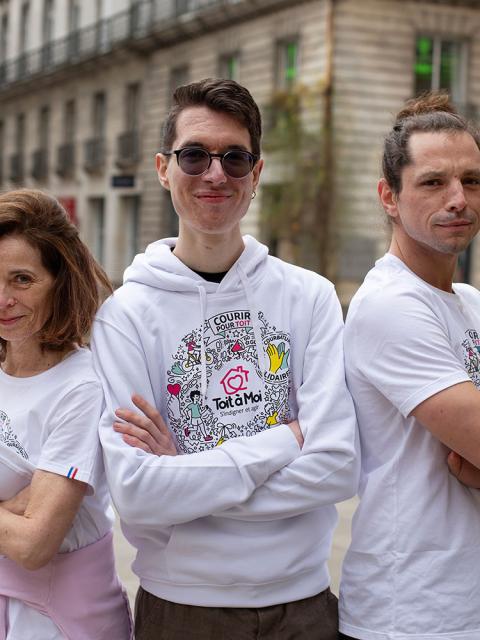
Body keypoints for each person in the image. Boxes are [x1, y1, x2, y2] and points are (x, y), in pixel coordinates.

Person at [92, 78, 359, 639]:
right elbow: (137, 493)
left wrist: (184, 480)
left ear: (256, 175)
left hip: (304, 606)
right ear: (164, 168)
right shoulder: (124, 316)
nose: (216, 174)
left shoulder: (309, 297)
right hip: (182, 609)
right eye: (195, 155)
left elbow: (337, 466)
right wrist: (284, 441)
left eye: (235, 158)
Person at [338, 93, 480, 640]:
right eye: (433, 182)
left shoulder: (466, 300)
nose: (458, 199)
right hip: (413, 613)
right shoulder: (391, 304)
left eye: (471, 181)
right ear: (389, 197)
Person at [0, 189, 132, 639]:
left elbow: (35, 544)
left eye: (22, 280)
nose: (3, 299)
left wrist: (32, 515)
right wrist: (15, 507)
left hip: (62, 623)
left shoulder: (83, 385)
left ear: (60, 282)